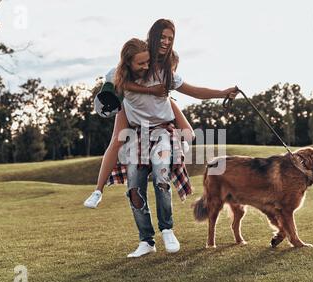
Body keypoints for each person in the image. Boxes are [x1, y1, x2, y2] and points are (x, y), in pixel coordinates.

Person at [84, 19, 238, 212]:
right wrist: (147, 90)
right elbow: (117, 78)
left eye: (170, 38)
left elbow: (196, 92)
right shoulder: (139, 55)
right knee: (116, 141)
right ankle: (98, 191)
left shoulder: (165, 71)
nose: (166, 41)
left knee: (185, 136)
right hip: (131, 109)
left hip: (158, 114)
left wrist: (223, 93)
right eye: (162, 37)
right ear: (153, 37)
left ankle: (168, 164)